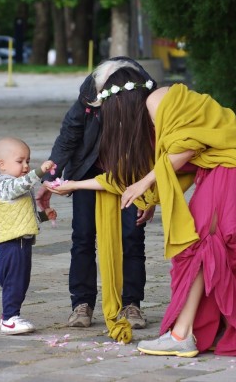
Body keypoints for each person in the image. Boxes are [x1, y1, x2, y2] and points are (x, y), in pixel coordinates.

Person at [47, 65, 236, 355]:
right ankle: (205, 331)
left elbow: (188, 144)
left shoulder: (158, 99)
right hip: (233, 170)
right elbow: (123, 178)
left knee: (197, 245)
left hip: (234, 168)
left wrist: (146, 183)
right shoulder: (151, 124)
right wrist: (75, 184)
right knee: (208, 248)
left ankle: (182, 335)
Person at [35, 58, 157, 335]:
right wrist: (50, 179)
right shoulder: (90, 95)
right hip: (88, 172)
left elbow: (157, 149)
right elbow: (69, 135)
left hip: (131, 175)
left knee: (132, 235)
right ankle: (82, 303)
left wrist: (151, 196)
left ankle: (131, 303)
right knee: (83, 236)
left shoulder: (147, 96)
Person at [0, 137, 57, 335]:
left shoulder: (18, 184)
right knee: (14, 280)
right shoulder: (2, 184)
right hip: (11, 241)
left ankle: (11, 314)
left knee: (20, 279)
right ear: (2, 164)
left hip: (22, 240)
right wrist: (40, 172)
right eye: (20, 161)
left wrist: (43, 216)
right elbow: (18, 188)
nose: (26, 166)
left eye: (28, 161)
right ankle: (9, 318)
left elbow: (24, 215)